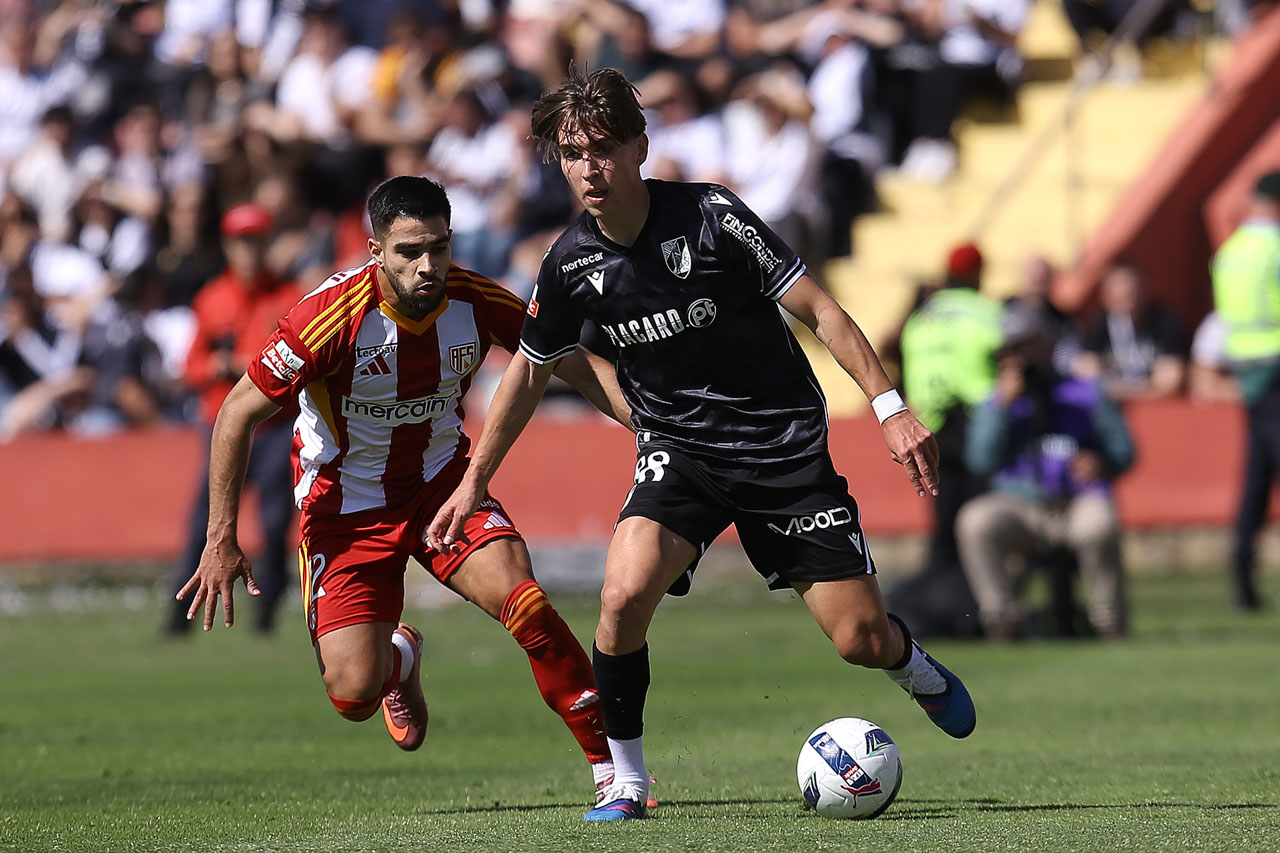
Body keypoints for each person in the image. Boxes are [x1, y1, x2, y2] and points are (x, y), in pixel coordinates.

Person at [426, 66, 976, 822]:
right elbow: (528, 373)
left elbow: (824, 312)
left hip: (783, 448)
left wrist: (888, 407)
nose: (591, 167)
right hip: (680, 451)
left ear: (641, 147)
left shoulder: (714, 217)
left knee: (858, 637)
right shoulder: (570, 263)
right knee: (620, 597)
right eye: (573, 152)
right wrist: (473, 480)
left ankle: (907, 662)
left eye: (605, 148)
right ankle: (627, 781)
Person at [175, 176, 630, 799]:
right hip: (344, 510)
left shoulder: (479, 301)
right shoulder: (326, 318)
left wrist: (654, 425)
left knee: (525, 603)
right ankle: (401, 658)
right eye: (409, 252)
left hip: (443, 492)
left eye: (439, 248)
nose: (427, 266)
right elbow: (236, 413)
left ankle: (614, 771)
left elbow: (570, 362)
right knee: (353, 695)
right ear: (375, 251)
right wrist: (220, 537)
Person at [956, 306, 1135, 641]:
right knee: (975, 521)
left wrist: (1102, 462)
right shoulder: (995, 401)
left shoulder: (1086, 391)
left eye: (1028, 345)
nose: (1021, 356)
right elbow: (980, 461)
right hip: (1021, 506)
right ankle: (1004, 621)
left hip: (1077, 502)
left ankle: (1109, 623)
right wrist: (1001, 408)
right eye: (1012, 348)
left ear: (1049, 345)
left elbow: (1125, 452)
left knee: (1100, 524)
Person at [165, 202, 302, 636]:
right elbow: (189, 367)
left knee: (278, 521)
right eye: (242, 241)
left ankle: (266, 614)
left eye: (256, 240)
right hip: (222, 425)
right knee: (205, 520)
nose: (249, 250)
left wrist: (247, 364)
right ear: (228, 245)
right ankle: (177, 619)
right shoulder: (212, 299)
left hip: (276, 425)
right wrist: (217, 367)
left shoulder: (289, 296)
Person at [898, 242, 1003, 584]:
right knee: (979, 517)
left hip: (931, 423)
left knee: (943, 516)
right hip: (977, 421)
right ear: (977, 274)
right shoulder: (986, 312)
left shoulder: (921, 316)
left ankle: (942, 592)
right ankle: (974, 597)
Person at [1211, 170, 1280, 610]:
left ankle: (1241, 575)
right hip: (1277, 365)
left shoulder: (1231, 250)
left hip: (1246, 371)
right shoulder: (1275, 247)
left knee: (1257, 476)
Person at [1073, 262, 1186, 401]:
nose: (1125, 303)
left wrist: (1135, 392)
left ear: (1143, 291)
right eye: (1118, 298)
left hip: (1153, 400)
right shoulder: (1100, 323)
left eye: (1130, 295)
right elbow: (1086, 365)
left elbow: (1172, 372)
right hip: (1117, 395)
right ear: (1105, 298)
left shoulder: (1163, 321)